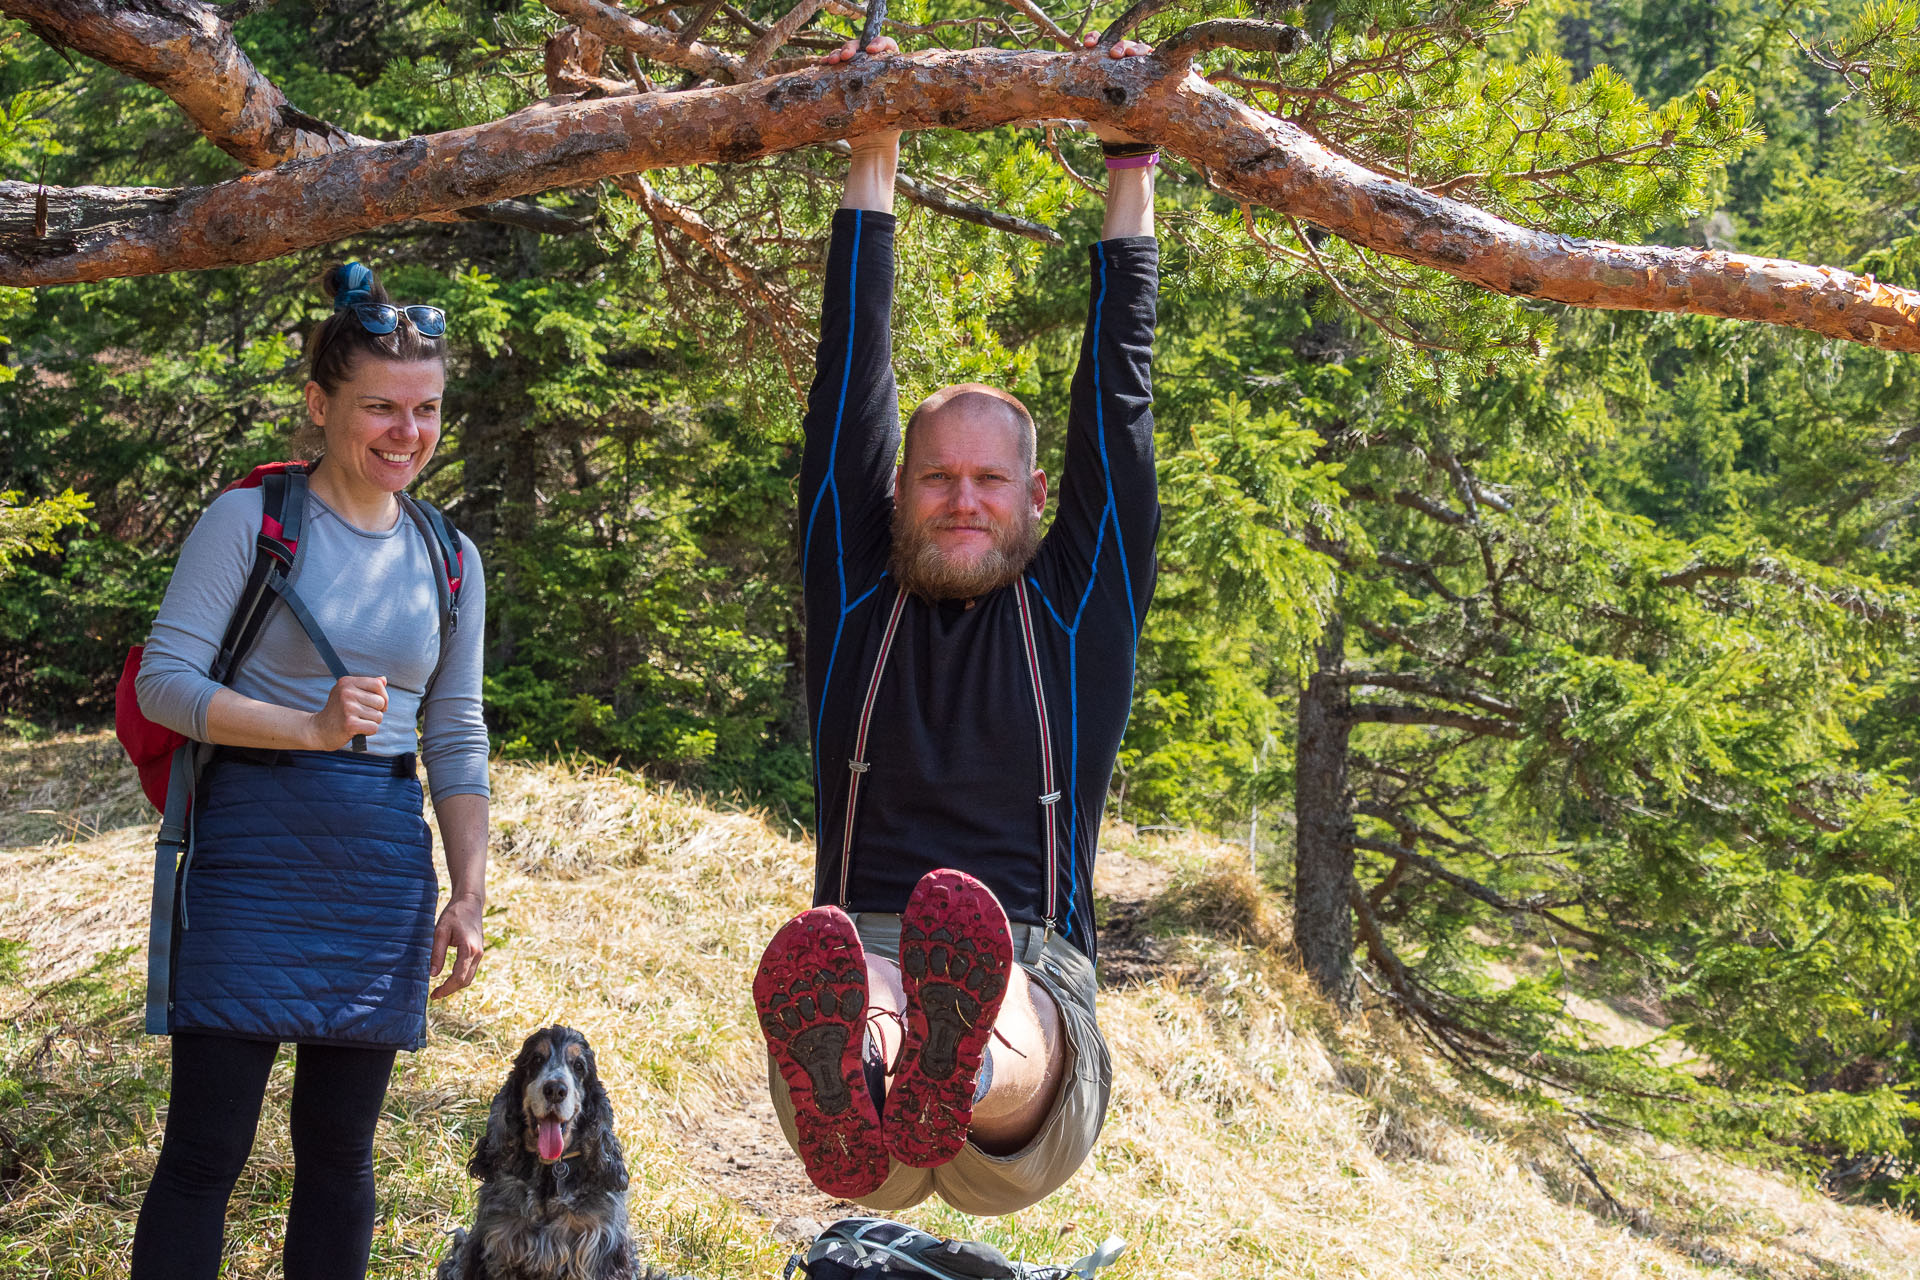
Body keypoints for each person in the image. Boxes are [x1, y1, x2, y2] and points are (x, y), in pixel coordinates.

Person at [754, 34, 1161, 1215]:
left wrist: (1130, 159)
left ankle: (957, 1050)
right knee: (869, 974)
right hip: (852, 1030)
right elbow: (849, 386)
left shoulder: (1078, 609)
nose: (964, 498)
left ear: (1039, 498)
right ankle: (878, 1054)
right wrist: (869, 141)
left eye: (991, 480)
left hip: (1031, 1004)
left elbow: (1119, 412)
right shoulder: (856, 602)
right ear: (897, 490)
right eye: (938, 477)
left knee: (989, 1000)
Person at [129, 261, 490, 1279]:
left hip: (379, 873)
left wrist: (468, 890)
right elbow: (166, 682)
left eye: (424, 409)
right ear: (321, 403)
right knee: (207, 1149)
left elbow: (456, 734)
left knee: (339, 1154)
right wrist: (307, 724)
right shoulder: (250, 522)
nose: (405, 432)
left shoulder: (450, 554)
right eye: (380, 406)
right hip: (248, 856)